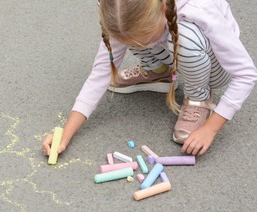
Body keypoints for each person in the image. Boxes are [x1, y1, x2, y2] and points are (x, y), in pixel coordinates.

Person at [43, 0, 257, 157]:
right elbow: (101, 73)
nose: (138, 45)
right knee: (138, 35)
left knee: (184, 39)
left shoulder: (199, 9)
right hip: (171, 45)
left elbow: (246, 74)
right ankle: (160, 72)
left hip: (212, 64)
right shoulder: (122, 10)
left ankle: (198, 97)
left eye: (146, 38)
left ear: (164, 8)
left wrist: (210, 128)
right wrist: (66, 132)